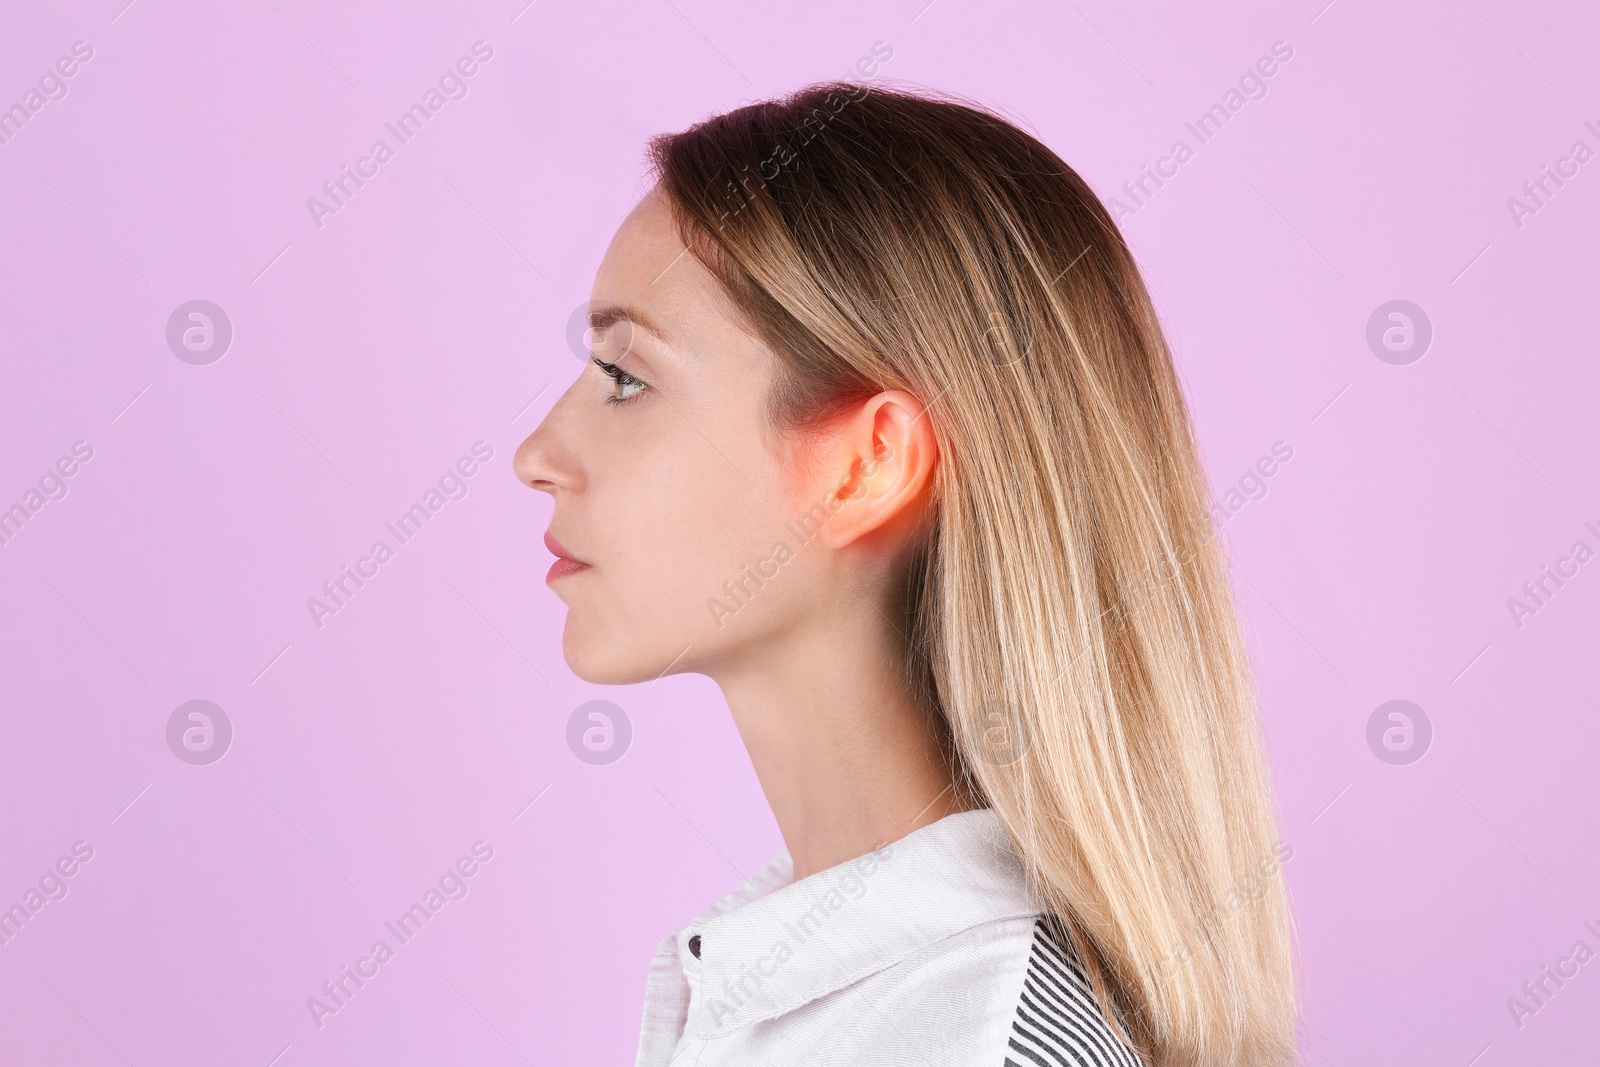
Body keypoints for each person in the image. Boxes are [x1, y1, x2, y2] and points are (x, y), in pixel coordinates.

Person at [514, 82, 1297, 1067]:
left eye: (626, 376)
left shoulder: (979, 1038)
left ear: (867, 464)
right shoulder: (806, 995)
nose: (536, 452)